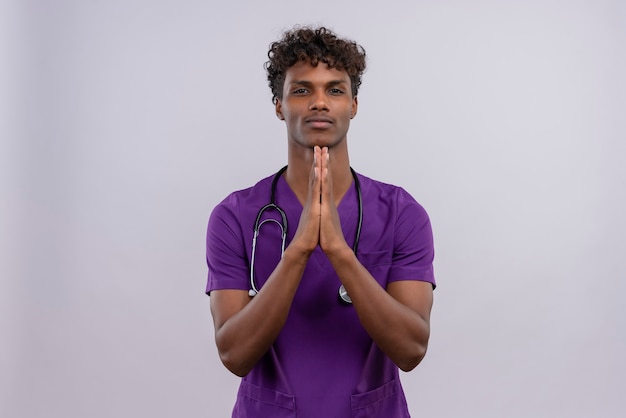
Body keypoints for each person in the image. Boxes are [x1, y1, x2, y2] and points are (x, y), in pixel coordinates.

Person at [205, 26, 436, 418]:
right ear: (279, 105)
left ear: (353, 104)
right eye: (301, 90)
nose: (319, 103)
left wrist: (339, 252)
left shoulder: (402, 212)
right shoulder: (234, 216)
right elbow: (235, 354)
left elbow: (411, 350)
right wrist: (297, 251)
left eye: (334, 89)